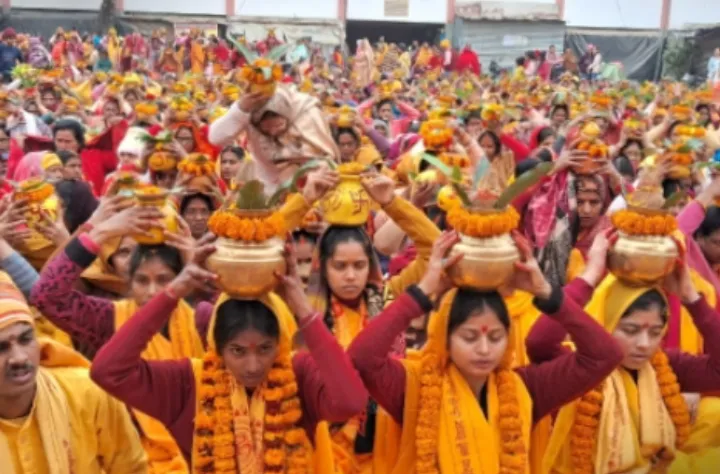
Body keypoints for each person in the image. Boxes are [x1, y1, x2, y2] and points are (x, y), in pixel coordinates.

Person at [346, 231, 624, 473]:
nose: (484, 349)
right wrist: (424, 291)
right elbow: (363, 358)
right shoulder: (414, 388)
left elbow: (603, 355)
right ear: (446, 338)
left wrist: (546, 292)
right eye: (469, 337)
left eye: (495, 337)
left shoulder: (527, 389)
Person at [89, 240, 369, 469]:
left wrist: (303, 308)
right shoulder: (188, 383)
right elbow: (107, 371)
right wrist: (173, 292)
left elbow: (351, 400)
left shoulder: (298, 375)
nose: (252, 366)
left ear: (279, 344)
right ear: (218, 348)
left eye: (264, 349)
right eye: (237, 351)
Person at [527, 235, 720, 473]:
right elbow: (538, 343)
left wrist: (692, 299)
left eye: (655, 332)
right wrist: (589, 278)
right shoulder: (580, 368)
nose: (643, 344)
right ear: (606, 323)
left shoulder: (666, 365)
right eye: (630, 330)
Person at [0, 272, 148, 473]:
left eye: (26, 340)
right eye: (1, 348)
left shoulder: (88, 393)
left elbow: (131, 468)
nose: (19, 358)